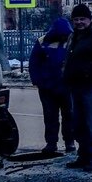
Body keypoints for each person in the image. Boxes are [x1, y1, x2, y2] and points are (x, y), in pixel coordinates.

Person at [63, 4, 92, 172]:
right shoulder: (73, 37)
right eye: (76, 19)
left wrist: (86, 73)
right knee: (78, 124)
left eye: (82, 19)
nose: (79, 22)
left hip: (91, 86)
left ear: (90, 19)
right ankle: (83, 156)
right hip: (75, 87)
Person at [29, 18, 75, 154]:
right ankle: (51, 143)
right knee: (50, 116)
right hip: (47, 87)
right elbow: (34, 63)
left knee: (69, 115)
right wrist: (37, 81)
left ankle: (69, 142)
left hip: (66, 86)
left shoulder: (72, 40)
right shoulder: (42, 42)